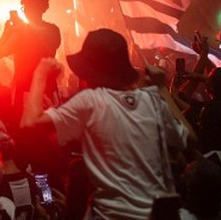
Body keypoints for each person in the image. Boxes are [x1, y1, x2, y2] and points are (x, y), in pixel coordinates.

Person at [21, 29, 195, 220]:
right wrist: (162, 90)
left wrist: (39, 74)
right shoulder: (150, 102)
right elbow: (190, 140)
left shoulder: (91, 102)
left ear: (91, 74)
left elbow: (30, 123)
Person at [0, 0, 61, 111]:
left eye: (26, 7)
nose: (25, 10)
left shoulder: (23, 32)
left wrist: (9, 32)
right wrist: (9, 31)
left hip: (28, 90)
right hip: (46, 88)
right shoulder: (52, 30)